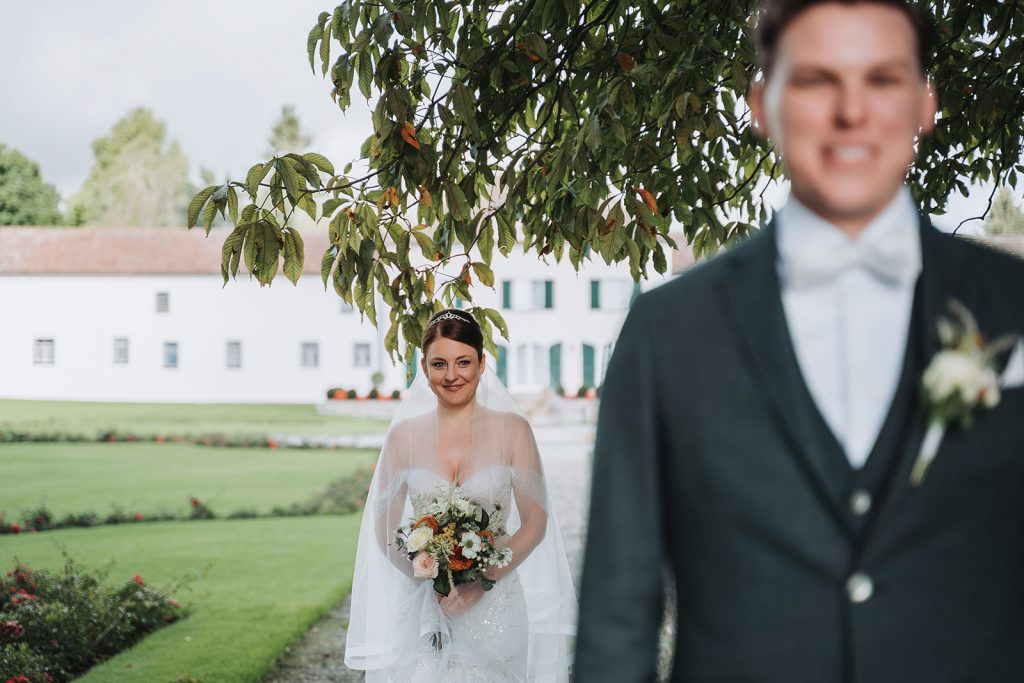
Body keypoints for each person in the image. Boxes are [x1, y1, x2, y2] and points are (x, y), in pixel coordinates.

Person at [576, 1, 1024, 681]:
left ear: (925, 103)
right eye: (817, 79)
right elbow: (616, 620)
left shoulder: (1013, 304)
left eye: (883, 79)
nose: (852, 111)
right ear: (763, 105)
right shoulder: (667, 331)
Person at [345, 308, 577, 681]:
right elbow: (383, 527)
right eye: (439, 364)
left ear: (482, 364)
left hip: (497, 608)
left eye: (463, 362)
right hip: (425, 609)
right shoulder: (403, 437)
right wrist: (427, 578)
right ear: (424, 368)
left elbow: (535, 523)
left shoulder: (513, 430)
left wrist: (482, 582)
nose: (451, 375)